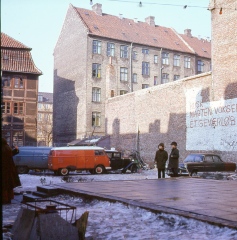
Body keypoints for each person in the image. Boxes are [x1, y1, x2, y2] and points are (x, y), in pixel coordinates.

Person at [2, 138, 21, 204]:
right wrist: (16, 150)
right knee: (9, 186)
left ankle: (4, 200)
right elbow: (12, 154)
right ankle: (9, 199)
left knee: (3, 186)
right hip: (9, 170)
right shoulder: (8, 148)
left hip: (3, 170)